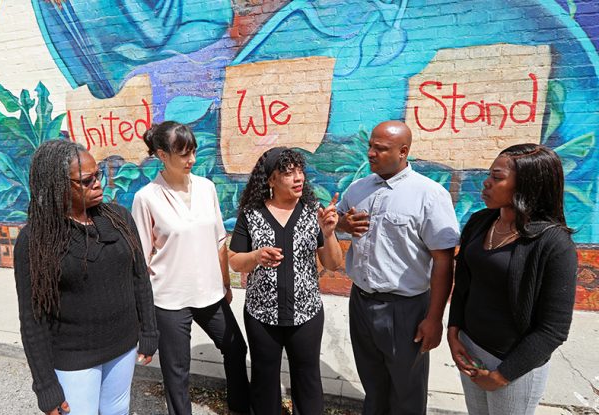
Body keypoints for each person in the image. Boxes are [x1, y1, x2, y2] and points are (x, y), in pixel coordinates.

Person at [14, 139, 159, 415]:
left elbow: (140, 278)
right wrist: (45, 386)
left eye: (98, 174)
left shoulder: (118, 218)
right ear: (56, 185)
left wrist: (149, 330)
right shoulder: (35, 240)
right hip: (75, 358)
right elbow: (33, 320)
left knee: (118, 410)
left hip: (123, 347)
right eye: (86, 180)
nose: (97, 183)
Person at [336, 120, 460, 415]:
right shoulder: (358, 189)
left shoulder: (429, 195)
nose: (371, 154)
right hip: (362, 301)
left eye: (380, 149)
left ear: (403, 151)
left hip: (405, 309)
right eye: (370, 146)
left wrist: (434, 318)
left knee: (407, 390)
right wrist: (341, 224)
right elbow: (335, 225)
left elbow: (444, 260)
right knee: (373, 382)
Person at [447, 143, 578, 414]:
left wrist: (501, 376)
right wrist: (453, 332)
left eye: (497, 177)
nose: (486, 183)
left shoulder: (554, 244)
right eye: (489, 175)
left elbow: (553, 329)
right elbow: (463, 284)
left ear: (527, 186)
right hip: (470, 349)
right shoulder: (480, 222)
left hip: (513, 365)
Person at [131, 121, 250, 415]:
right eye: (183, 154)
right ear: (161, 154)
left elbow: (219, 240)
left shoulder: (206, 187)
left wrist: (225, 284)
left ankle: (240, 406)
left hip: (209, 292)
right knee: (177, 371)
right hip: (169, 299)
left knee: (236, 348)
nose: (192, 160)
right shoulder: (146, 198)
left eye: (193, 152)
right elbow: (141, 259)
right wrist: (144, 313)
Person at [228, 147, 342, 415]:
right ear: (270, 180)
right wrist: (256, 256)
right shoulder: (251, 214)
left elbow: (333, 264)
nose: (298, 178)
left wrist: (328, 233)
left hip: (306, 313)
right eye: (288, 173)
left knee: (308, 378)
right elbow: (234, 260)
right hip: (261, 314)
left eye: (300, 171)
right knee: (264, 379)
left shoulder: (313, 211)